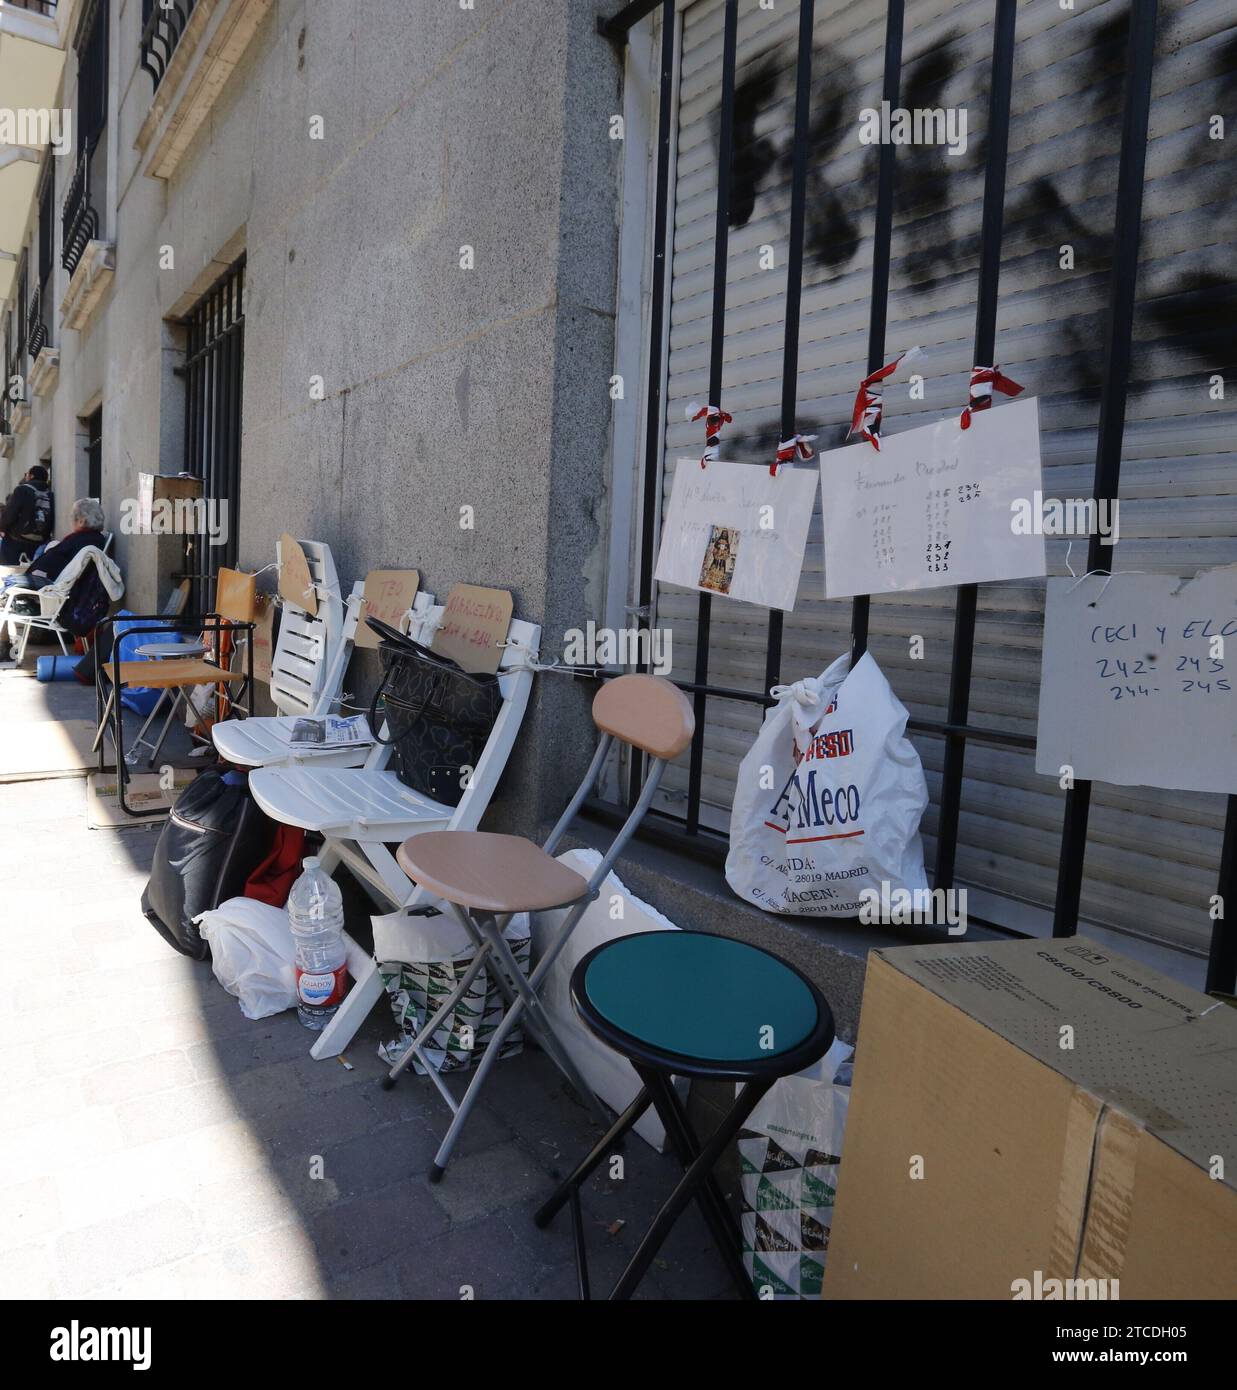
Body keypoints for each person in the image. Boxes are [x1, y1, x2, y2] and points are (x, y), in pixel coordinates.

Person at [0, 498, 107, 662]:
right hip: (48, 592)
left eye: (73, 518)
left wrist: (37, 572)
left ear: (82, 520)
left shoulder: (83, 541)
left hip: (49, 596)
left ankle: (4, 645)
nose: (71, 521)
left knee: (4, 596)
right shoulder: (88, 539)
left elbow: (58, 569)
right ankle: (4, 644)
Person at [0, 465, 55, 567]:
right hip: (37, 542)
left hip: (15, 539)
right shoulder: (50, 494)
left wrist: (2, 528)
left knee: (8, 569)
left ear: (31, 476)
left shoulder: (22, 490)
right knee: (29, 571)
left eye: (27, 474)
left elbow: (10, 513)